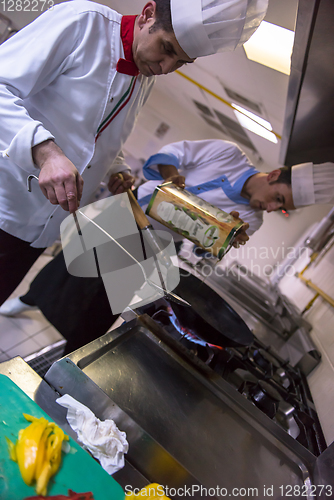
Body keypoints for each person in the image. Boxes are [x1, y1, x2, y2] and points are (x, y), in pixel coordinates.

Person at [0, 0, 268, 306]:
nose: (167, 68)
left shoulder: (145, 78)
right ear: (147, 14)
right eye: (167, 48)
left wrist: (118, 169)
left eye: (181, 62)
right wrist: (46, 152)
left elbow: (99, 139)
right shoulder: (83, 22)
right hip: (5, 202)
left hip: (39, 232)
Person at [2, 139, 334, 355]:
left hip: (162, 242)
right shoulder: (229, 154)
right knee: (71, 267)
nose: (273, 208)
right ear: (274, 175)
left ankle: (73, 354)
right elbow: (176, 153)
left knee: (105, 305)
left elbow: (202, 251)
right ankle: (29, 299)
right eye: (278, 199)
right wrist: (173, 176)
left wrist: (220, 237)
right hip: (131, 210)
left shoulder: (251, 220)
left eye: (282, 208)